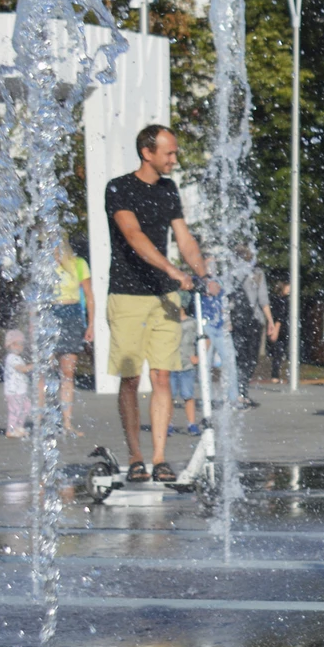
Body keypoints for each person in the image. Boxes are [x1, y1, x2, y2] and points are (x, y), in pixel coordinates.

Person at [105, 125, 217, 483]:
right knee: (131, 378)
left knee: (163, 375)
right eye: (169, 153)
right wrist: (172, 269)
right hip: (127, 295)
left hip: (164, 297)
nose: (174, 159)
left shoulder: (169, 189)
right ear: (147, 152)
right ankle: (135, 456)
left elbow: (184, 238)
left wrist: (203, 274)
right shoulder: (119, 188)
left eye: (175, 152)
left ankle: (159, 458)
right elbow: (133, 235)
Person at [52, 239, 94, 435]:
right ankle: (44, 420)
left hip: (72, 314)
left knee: (67, 373)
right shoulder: (44, 264)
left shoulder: (78, 264)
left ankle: (66, 422)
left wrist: (90, 324)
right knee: (45, 372)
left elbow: (89, 295)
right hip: (49, 313)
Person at [227, 245, 276, 408]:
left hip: (238, 320)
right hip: (252, 320)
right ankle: (241, 393)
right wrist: (270, 322)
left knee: (241, 357)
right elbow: (263, 300)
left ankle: (240, 393)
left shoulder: (234, 273)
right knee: (250, 358)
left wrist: (227, 320)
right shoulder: (255, 273)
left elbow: (227, 299)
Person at [169, 295, 200, 436]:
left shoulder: (192, 323)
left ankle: (191, 424)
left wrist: (199, 356)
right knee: (169, 397)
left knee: (188, 395)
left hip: (187, 364)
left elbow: (204, 339)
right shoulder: (169, 322)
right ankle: (167, 423)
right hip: (170, 364)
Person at [2, 328, 31, 439]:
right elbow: (22, 369)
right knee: (15, 409)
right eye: (16, 344)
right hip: (13, 391)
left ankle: (18, 427)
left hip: (20, 390)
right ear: (9, 345)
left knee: (26, 407)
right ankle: (10, 430)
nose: (19, 347)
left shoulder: (17, 358)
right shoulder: (11, 358)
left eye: (21, 344)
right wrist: (36, 365)